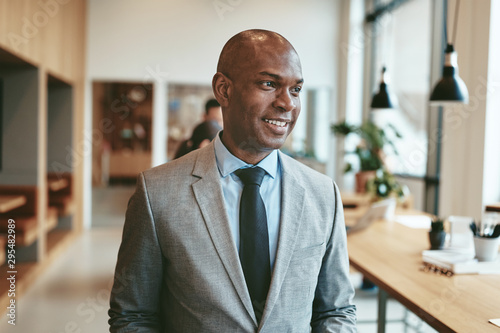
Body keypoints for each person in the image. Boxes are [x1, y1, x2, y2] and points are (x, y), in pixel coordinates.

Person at [109, 29, 357, 332]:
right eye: (269, 84)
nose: (288, 104)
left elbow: (337, 310)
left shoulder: (322, 194)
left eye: (296, 89)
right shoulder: (157, 193)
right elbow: (133, 316)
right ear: (224, 89)